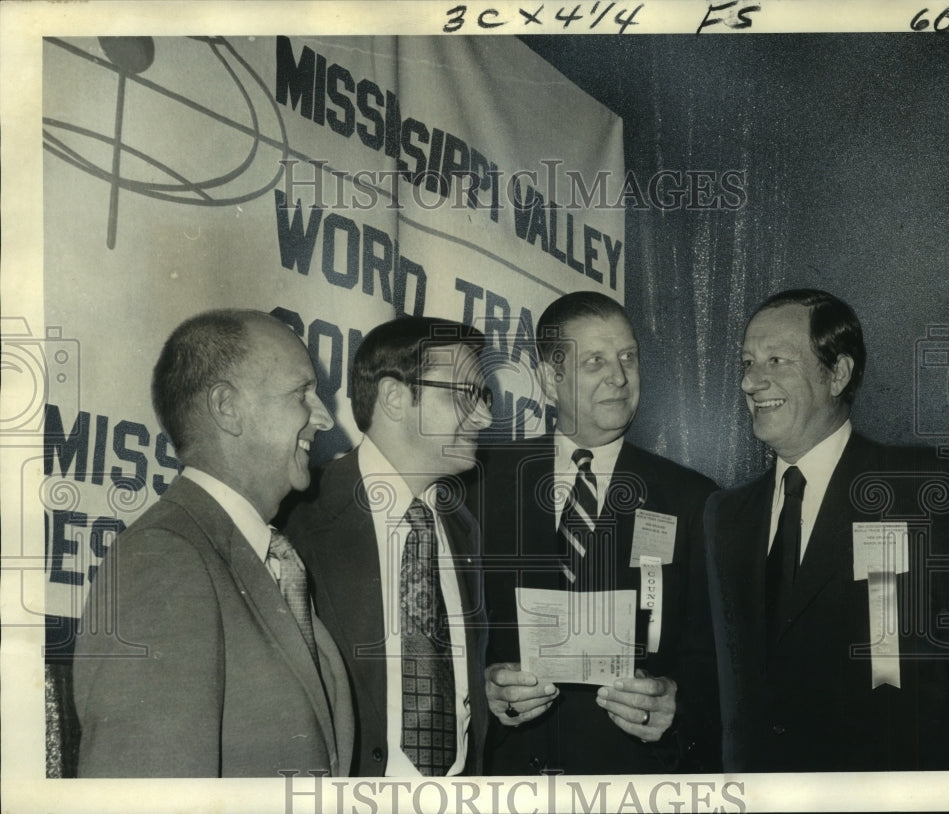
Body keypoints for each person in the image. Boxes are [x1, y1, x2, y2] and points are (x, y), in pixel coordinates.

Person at [73, 309, 354, 777]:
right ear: (227, 408)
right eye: (302, 392)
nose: (324, 419)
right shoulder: (165, 559)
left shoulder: (251, 555)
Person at [704, 288, 949, 771]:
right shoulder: (726, 515)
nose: (751, 382)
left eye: (776, 361)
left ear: (838, 374)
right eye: (747, 363)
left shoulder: (928, 491)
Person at [479, 291, 720, 775]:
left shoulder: (692, 498)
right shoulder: (482, 481)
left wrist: (679, 705)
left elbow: (715, 656)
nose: (619, 376)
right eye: (595, 361)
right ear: (551, 379)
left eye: (628, 357)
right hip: (509, 779)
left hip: (630, 777)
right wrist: (483, 683)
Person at [283, 316, 492, 776]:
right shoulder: (298, 518)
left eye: (485, 396)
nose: (485, 417)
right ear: (395, 397)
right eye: (465, 395)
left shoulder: (465, 528)